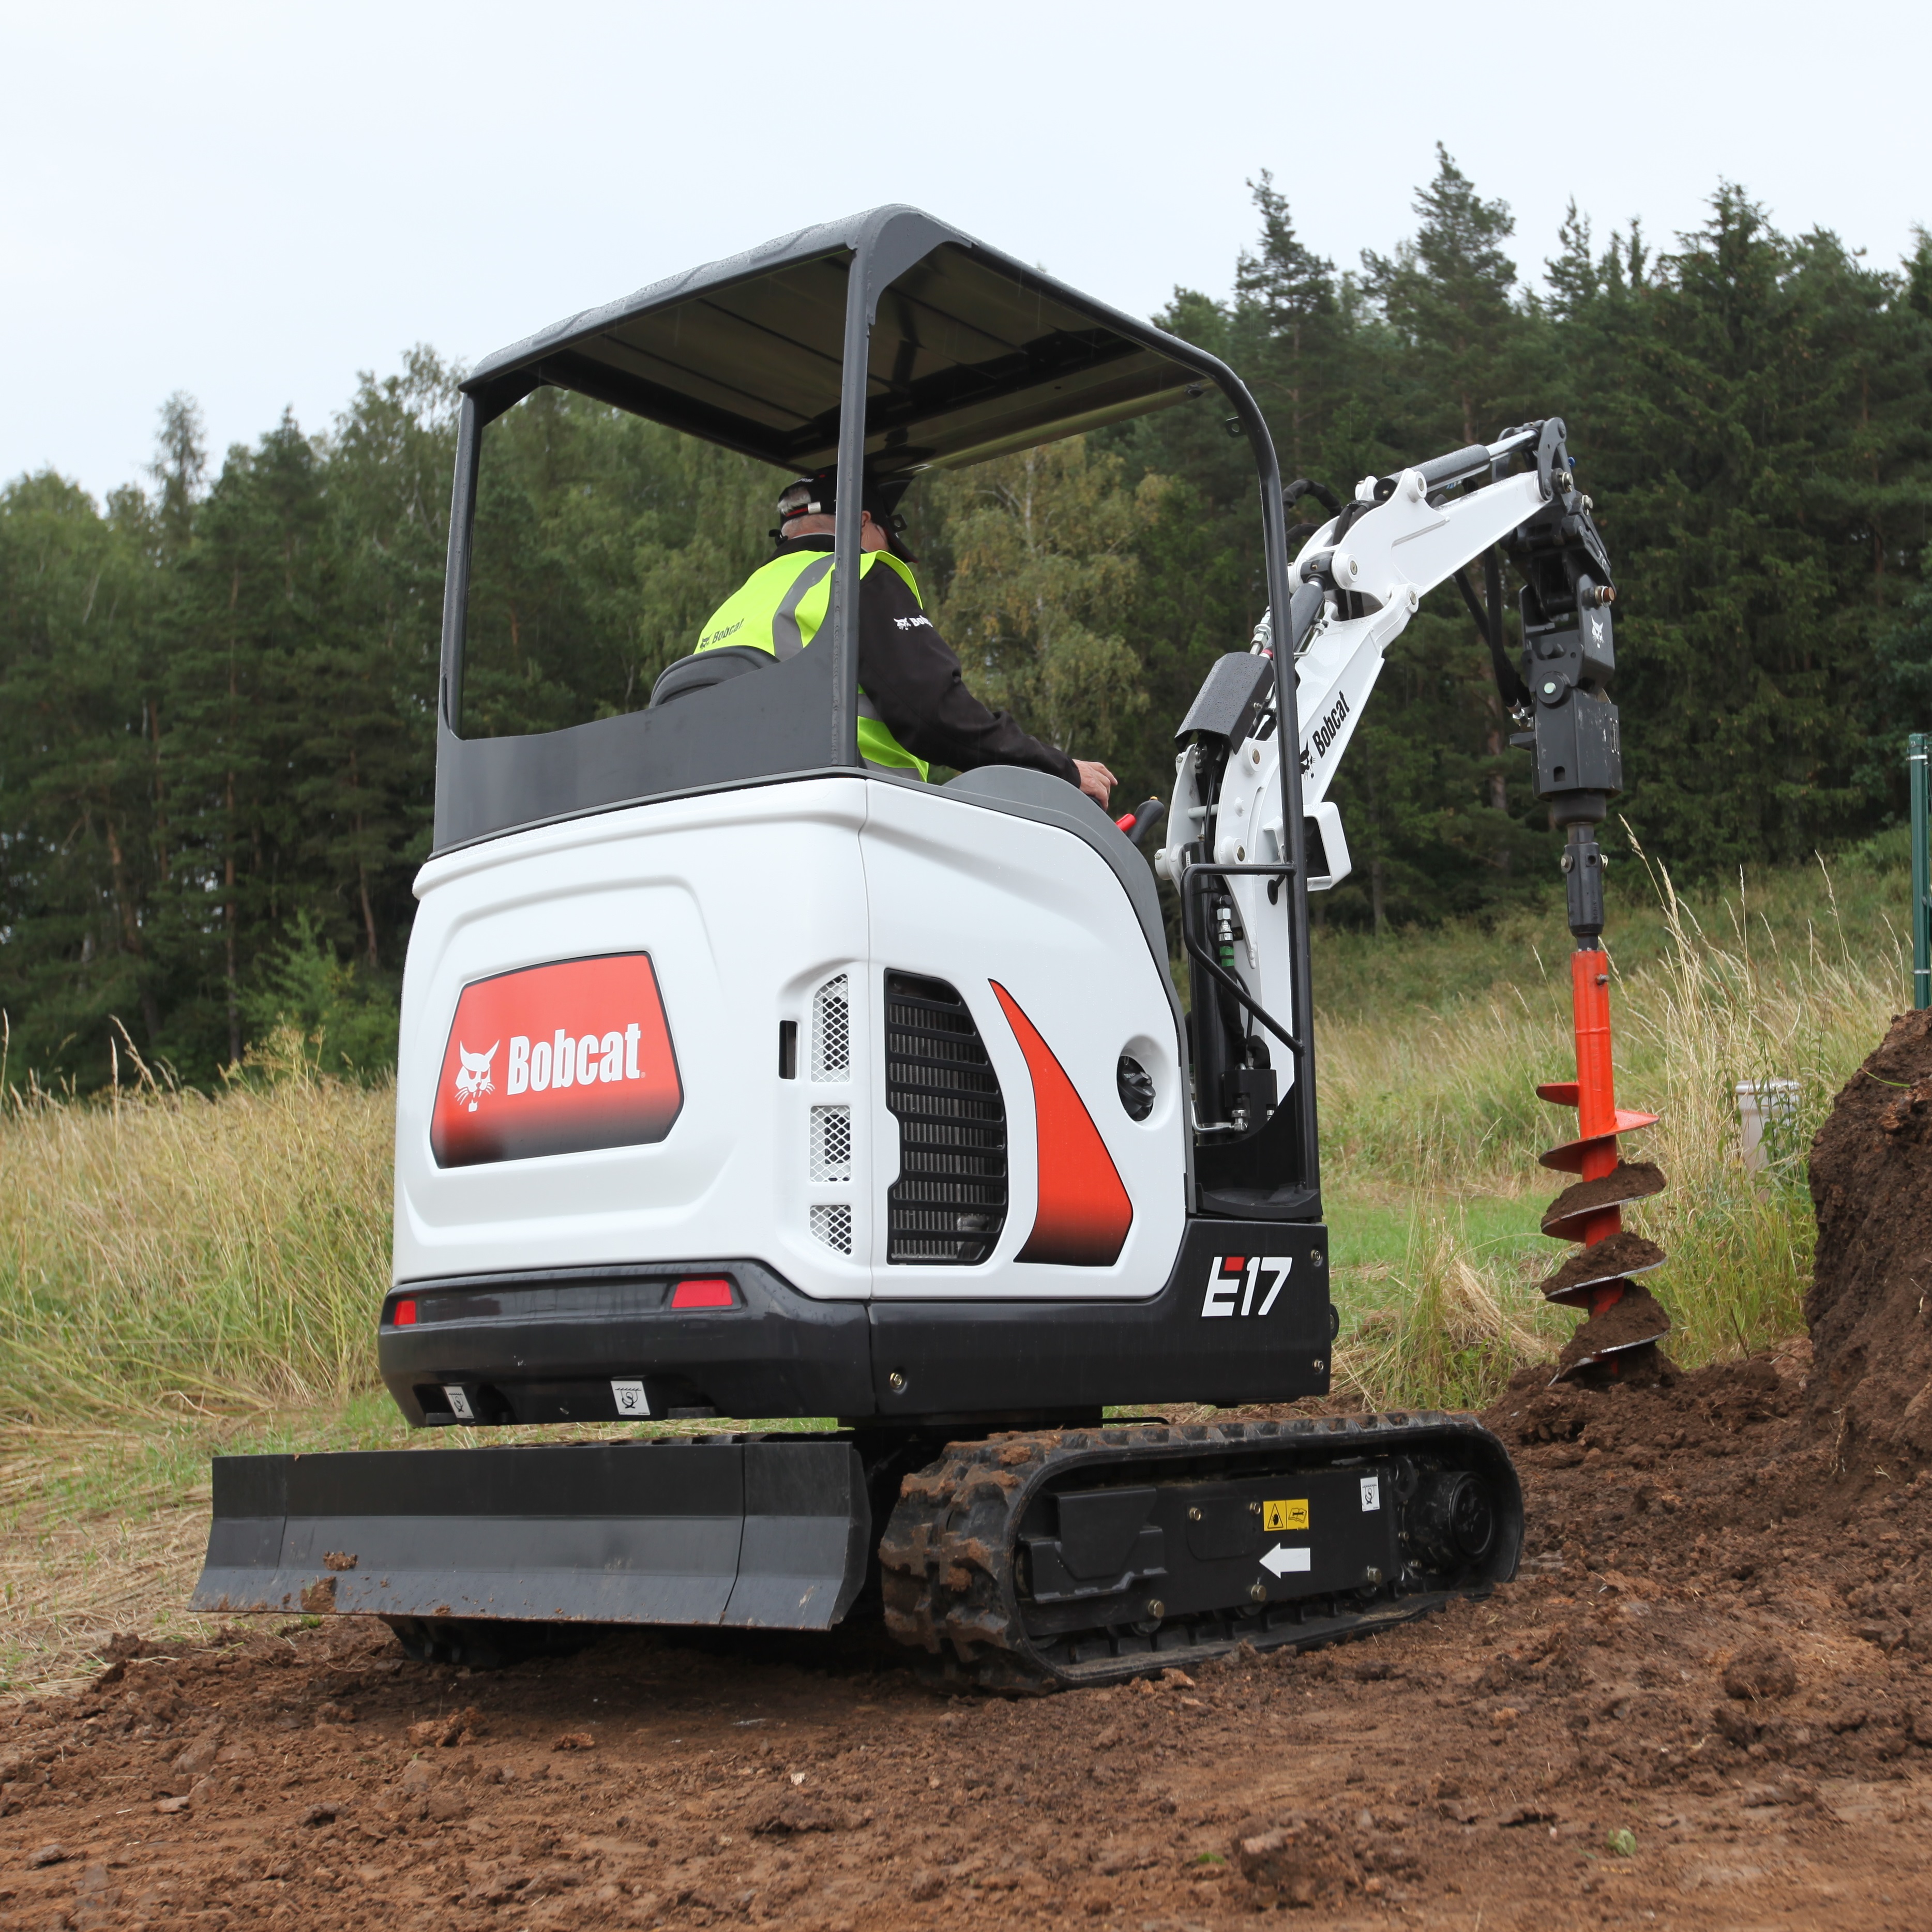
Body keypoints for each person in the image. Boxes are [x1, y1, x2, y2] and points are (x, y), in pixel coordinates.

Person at [692, 468, 1115, 806]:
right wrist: (1059, 770)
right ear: (862, 524)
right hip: (858, 821)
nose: (889, 556)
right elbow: (935, 713)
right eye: (888, 542)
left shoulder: (733, 606)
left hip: (732, 820)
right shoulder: (857, 574)